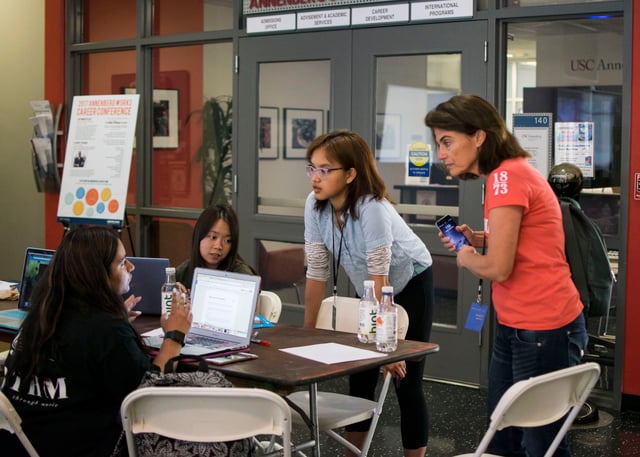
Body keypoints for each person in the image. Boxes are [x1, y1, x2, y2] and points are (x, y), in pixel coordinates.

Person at [425, 94, 588, 457]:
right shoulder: (509, 173)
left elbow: (499, 267)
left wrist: (466, 256)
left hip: (543, 327)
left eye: (447, 141)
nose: (442, 154)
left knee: (540, 441)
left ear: (478, 136)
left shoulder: (506, 179)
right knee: (504, 431)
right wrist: (479, 239)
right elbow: (525, 239)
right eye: (439, 144)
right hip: (521, 324)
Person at [0, 226, 192, 457]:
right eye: (122, 263)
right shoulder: (105, 330)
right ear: (97, 274)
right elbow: (149, 397)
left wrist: (114, 321)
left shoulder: (42, 316)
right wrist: (174, 336)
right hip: (81, 448)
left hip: (25, 445)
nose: (131, 267)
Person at [303, 129, 434, 457]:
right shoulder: (314, 205)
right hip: (372, 289)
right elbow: (317, 271)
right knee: (360, 377)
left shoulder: (372, 207)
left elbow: (381, 277)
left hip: (409, 282)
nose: (315, 178)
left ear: (349, 174)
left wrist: (385, 347)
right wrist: (303, 334)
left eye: (324, 170)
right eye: (312, 168)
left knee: (407, 381)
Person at [175, 204, 256, 291]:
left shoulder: (242, 276)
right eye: (213, 237)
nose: (218, 246)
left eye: (227, 241)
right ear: (199, 236)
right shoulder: (184, 271)